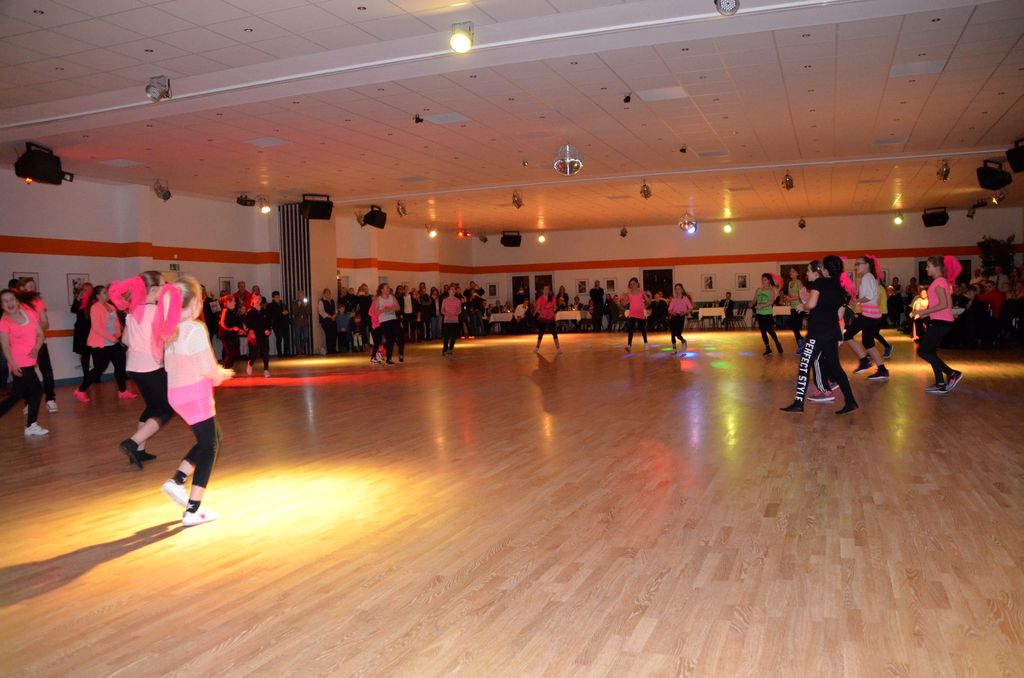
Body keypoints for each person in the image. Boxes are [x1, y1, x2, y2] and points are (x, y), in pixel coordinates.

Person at [158, 276, 234, 527]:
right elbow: (207, 368)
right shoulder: (195, 329)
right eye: (200, 300)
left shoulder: (171, 330)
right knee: (210, 446)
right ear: (193, 303)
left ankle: (177, 480)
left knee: (212, 437)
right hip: (195, 396)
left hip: (177, 395)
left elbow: (169, 366)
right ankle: (193, 510)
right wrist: (220, 374)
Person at [111, 272, 176, 469]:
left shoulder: (133, 311)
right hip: (151, 365)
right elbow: (166, 337)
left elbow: (125, 340)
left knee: (152, 407)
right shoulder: (155, 311)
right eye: (163, 286)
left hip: (133, 365)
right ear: (154, 289)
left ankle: (138, 451)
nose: (166, 289)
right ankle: (132, 443)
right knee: (168, 409)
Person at [781, 256, 857, 415]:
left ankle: (798, 403)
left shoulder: (819, 283)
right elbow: (839, 315)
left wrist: (803, 305)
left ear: (825, 270)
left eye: (808, 270)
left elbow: (812, 304)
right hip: (832, 332)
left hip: (817, 333)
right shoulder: (840, 287)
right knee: (836, 367)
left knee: (804, 364)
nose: (807, 273)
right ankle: (850, 401)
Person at [912, 256, 964, 394]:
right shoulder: (942, 281)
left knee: (923, 351)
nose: (926, 268)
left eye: (928, 266)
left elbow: (943, 304)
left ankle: (952, 374)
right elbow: (948, 304)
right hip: (941, 321)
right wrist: (927, 314)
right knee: (930, 352)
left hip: (941, 322)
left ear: (937, 267)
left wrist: (924, 312)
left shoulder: (938, 282)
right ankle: (940, 383)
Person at [0, 288, 49, 436]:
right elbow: (5, 346)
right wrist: (13, 365)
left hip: (30, 360)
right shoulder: (4, 322)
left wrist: (36, 348)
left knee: (17, 394)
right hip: (19, 362)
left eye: (11, 299)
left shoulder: (29, 314)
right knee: (37, 391)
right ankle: (31, 425)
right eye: (5, 301)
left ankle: (30, 425)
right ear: (2, 305)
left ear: (17, 301)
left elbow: (40, 334)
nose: (9, 303)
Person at [75, 285, 136, 402]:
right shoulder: (95, 308)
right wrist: (111, 338)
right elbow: (96, 327)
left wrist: (117, 334)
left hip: (114, 342)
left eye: (107, 292)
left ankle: (123, 391)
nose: (107, 294)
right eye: (104, 293)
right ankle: (81, 390)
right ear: (98, 295)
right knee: (99, 369)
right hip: (101, 344)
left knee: (120, 366)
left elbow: (117, 323)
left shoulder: (111, 306)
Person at [843, 255, 889, 381]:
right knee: (868, 343)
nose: (856, 266)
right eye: (856, 264)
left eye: (859, 264)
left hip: (869, 316)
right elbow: (875, 298)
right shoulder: (871, 278)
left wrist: (856, 301)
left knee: (847, 335)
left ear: (867, 265)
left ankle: (864, 361)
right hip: (874, 316)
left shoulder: (867, 278)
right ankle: (882, 370)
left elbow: (868, 297)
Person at [16, 278, 57, 412]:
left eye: (34, 286)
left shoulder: (38, 302)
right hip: (22, 344)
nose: (33, 289)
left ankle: (50, 399)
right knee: (27, 373)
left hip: (39, 341)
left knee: (47, 371)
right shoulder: (16, 304)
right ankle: (28, 402)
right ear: (21, 288)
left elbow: (46, 323)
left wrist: (34, 326)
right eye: (30, 286)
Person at [753, 274, 784, 356]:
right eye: (762, 279)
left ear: (769, 281)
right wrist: (751, 304)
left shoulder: (771, 290)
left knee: (770, 331)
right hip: (759, 314)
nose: (763, 281)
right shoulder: (758, 290)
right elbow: (754, 299)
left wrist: (761, 306)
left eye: (765, 280)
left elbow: (771, 301)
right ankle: (768, 348)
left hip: (767, 313)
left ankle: (777, 343)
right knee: (763, 332)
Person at [70, 281, 94, 380]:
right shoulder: (79, 301)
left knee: (96, 354)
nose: (85, 292)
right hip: (82, 331)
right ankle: (86, 376)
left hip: (93, 331)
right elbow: (73, 309)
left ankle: (95, 376)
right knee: (85, 355)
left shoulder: (94, 302)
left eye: (88, 290)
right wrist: (78, 298)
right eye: (84, 290)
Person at [374, 283, 402, 365]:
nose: (388, 289)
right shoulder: (378, 299)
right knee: (390, 339)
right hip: (384, 321)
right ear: (382, 290)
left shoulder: (392, 297)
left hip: (393, 319)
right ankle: (388, 359)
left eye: (388, 287)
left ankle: (381, 352)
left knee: (393, 338)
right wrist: (383, 310)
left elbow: (398, 307)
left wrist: (391, 308)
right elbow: (375, 312)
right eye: (387, 287)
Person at [244, 292, 272, 377]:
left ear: (261, 300)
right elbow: (246, 324)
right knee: (254, 354)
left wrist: (268, 330)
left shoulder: (265, 311)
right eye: (256, 299)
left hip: (263, 335)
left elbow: (269, 323)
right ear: (252, 300)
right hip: (254, 336)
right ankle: (250, 363)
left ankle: (266, 370)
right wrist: (250, 331)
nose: (258, 300)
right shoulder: (250, 312)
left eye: (259, 299)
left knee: (265, 352)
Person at [623, 277, 650, 352]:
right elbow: (624, 303)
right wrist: (624, 297)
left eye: (633, 283)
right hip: (632, 313)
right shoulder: (629, 294)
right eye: (631, 284)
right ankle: (629, 345)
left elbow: (648, 302)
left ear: (637, 284)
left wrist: (650, 296)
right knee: (630, 329)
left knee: (642, 329)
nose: (632, 285)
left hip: (640, 313)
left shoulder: (642, 292)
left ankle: (646, 343)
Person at [218, 294, 244, 369]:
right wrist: (232, 329)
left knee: (232, 353)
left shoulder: (230, 311)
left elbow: (232, 324)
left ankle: (228, 368)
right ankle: (227, 369)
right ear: (228, 302)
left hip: (230, 335)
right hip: (226, 336)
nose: (235, 303)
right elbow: (222, 324)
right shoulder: (225, 310)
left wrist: (238, 330)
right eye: (233, 301)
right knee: (230, 354)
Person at [534, 284, 561, 354]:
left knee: (554, 333)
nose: (546, 290)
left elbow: (555, 307)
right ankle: (537, 347)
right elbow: (537, 309)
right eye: (545, 289)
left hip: (550, 318)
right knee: (540, 333)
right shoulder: (540, 299)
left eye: (548, 289)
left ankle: (558, 348)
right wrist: (542, 313)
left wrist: (553, 311)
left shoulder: (553, 298)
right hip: (542, 318)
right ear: (542, 290)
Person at [784, 267, 805, 352]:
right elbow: (791, 295)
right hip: (792, 307)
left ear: (797, 273)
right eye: (790, 271)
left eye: (793, 271)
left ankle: (801, 344)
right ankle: (801, 342)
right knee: (793, 327)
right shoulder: (790, 283)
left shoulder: (798, 282)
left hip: (798, 307)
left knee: (795, 327)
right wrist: (787, 298)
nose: (791, 272)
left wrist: (791, 298)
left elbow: (802, 295)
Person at [668, 283, 693, 353]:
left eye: (678, 289)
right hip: (674, 317)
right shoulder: (673, 299)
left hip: (681, 317)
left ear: (682, 290)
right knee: (673, 333)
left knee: (678, 335)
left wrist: (684, 312)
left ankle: (683, 341)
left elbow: (690, 308)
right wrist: (672, 313)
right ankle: (674, 348)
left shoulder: (685, 299)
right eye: (676, 289)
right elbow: (669, 310)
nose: (677, 290)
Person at [266, 291, 290, 357]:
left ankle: (286, 353)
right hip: (277, 325)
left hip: (285, 324)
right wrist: (281, 313)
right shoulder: (270, 305)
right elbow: (271, 315)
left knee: (286, 339)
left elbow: (287, 313)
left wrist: (287, 313)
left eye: (278, 297)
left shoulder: (283, 304)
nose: (278, 298)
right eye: (276, 297)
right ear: (273, 298)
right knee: (279, 339)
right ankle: (280, 354)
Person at [291, 290, 310, 355]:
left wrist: (305, 306)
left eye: (302, 295)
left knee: (306, 337)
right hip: (297, 322)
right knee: (297, 337)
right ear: (297, 295)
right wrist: (298, 306)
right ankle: (299, 351)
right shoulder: (294, 302)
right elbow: (295, 313)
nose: (301, 296)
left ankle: (301, 348)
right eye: (299, 295)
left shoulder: (306, 302)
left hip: (305, 322)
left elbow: (309, 312)